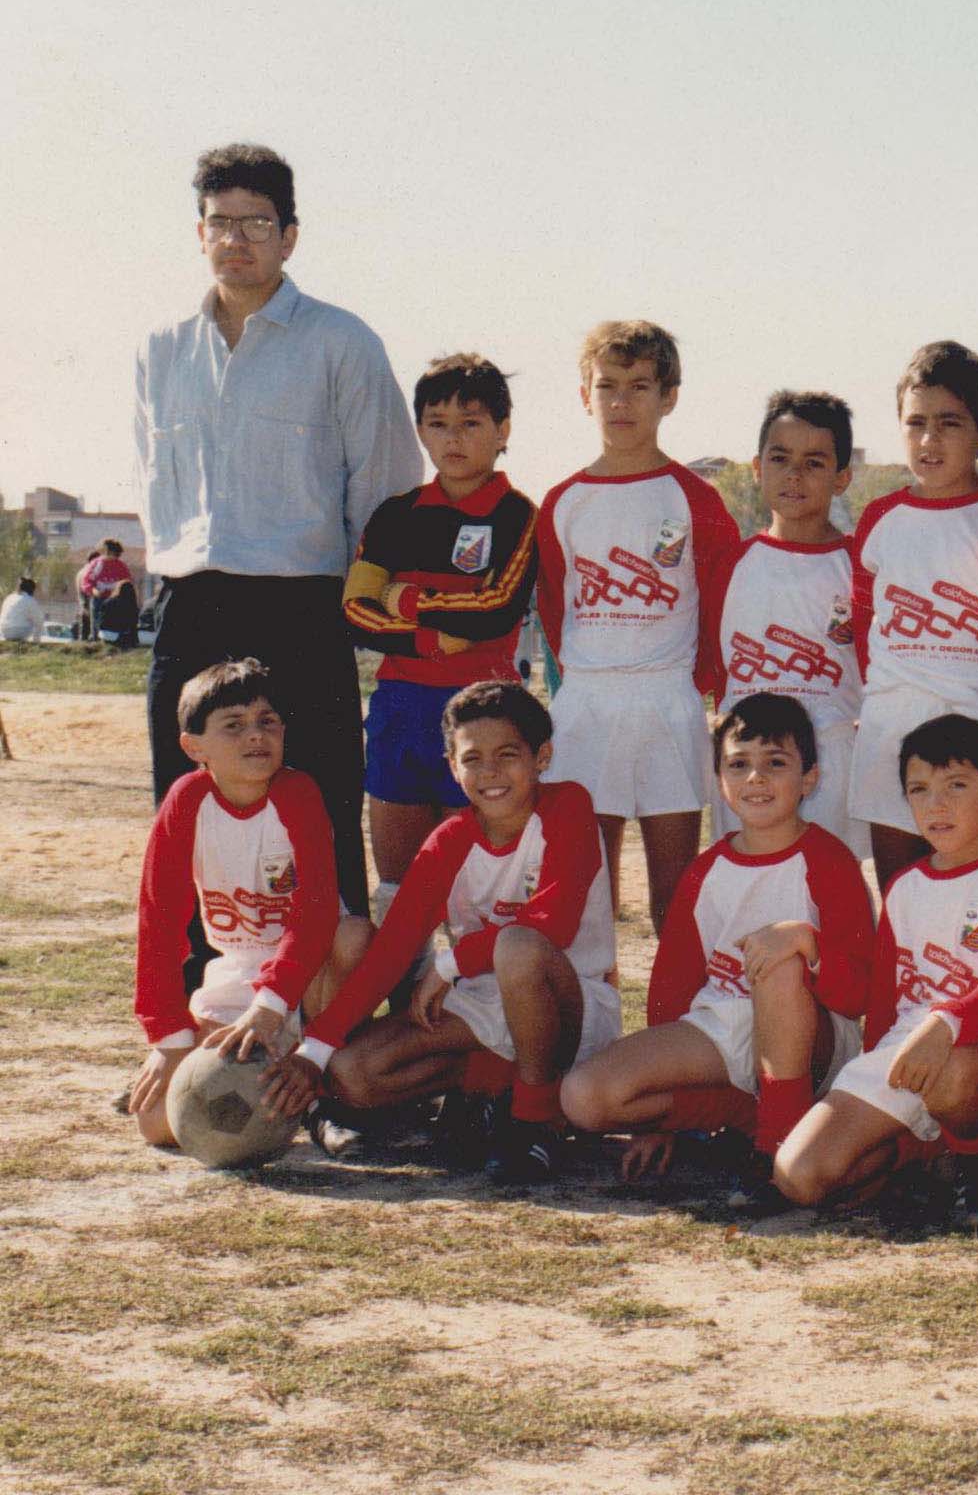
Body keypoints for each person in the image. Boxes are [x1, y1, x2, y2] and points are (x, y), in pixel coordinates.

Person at [134, 143, 421, 930]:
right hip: (190, 607)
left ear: (290, 236)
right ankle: (198, 1016)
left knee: (318, 810)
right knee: (190, 811)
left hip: (302, 608)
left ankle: (333, 1029)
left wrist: (363, 607)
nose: (238, 239)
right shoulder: (160, 350)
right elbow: (154, 489)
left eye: (257, 222)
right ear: (199, 233)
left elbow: (388, 495)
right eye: (220, 222)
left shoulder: (341, 343)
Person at [265, 682, 619, 1185]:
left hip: (567, 1001)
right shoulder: (449, 840)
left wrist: (451, 965)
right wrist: (314, 1051)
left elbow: (554, 925)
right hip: (481, 1003)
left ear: (542, 757)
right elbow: (390, 952)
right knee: (353, 1074)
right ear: (452, 766)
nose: (490, 772)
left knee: (516, 947)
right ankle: (493, 1088)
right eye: (473, 758)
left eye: (507, 755)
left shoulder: (568, 808)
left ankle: (534, 1121)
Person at [562, 693, 874, 1201]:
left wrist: (805, 945)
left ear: (810, 778)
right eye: (739, 764)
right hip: (723, 1029)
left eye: (776, 763)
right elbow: (672, 987)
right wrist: (659, 1120)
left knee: (776, 955)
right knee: (585, 1097)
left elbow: (860, 992)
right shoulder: (706, 871)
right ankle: (745, 1116)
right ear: (720, 780)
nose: (756, 778)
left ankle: (776, 1148)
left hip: (811, 1036)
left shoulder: (828, 862)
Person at [773, 714, 978, 1227]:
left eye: (957, 786)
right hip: (910, 1047)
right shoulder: (905, 885)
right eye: (920, 790)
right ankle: (921, 1158)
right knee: (801, 1176)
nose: (937, 804)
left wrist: (946, 1023)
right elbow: (888, 1003)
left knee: (949, 1074)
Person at [535, 321, 740, 933]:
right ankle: (591, 1024)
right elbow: (553, 608)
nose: (621, 402)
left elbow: (720, 605)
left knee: (674, 892)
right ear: (584, 395)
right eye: (607, 386)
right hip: (588, 701)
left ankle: (674, 1022)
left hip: (666, 697)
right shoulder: (563, 500)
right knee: (586, 893)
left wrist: (694, 683)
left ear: (668, 396)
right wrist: (574, 687)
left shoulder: (693, 498)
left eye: (640, 386)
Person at [343, 353, 539, 986]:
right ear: (420, 430)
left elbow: (493, 608)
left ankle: (477, 1048)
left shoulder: (516, 515)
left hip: (483, 716)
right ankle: (406, 1037)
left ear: (504, 429)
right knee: (400, 892)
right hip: (401, 708)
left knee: (479, 889)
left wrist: (401, 598)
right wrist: (436, 637)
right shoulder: (395, 515)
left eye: (471, 422)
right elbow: (353, 610)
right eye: (437, 423)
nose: (453, 439)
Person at [127, 660, 369, 1146]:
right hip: (239, 970)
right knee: (156, 1124)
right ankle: (280, 1086)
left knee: (354, 934)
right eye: (233, 726)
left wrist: (272, 1005)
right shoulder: (187, 800)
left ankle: (321, 1095)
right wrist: (170, 1042)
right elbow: (159, 919)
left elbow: (317, 911)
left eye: (267, 722)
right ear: (194, 747)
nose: (255, 735)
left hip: (313, 971)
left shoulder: (298, 792)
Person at [845, 342, 978, 896]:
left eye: (949, 423)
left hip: (976, 730)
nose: (929, 441)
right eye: (916, 423)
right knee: (902, 894)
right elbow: (863, 627)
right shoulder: (881, 517)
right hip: (890, 728)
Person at [708, 390, 865, 854]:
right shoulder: (732, 565)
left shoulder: (861, 567)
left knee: (827, 891)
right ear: (758, 468)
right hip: (749, 763)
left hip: (830, 760)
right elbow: (719, 672)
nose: (794, 475)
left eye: (814, 462)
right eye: (780, 458)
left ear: (842, 478)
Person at [85, 539, 140, 649]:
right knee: (96, 620)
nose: (115, 557)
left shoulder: (121, 566)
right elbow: (87, 581)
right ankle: (95, 641)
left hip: (115, 601)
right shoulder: (97, 564)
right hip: (99, 598)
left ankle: (114, 643)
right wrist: (94, 591)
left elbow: (127, 583)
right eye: (113, 553)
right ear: (107, 551)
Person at [0, 578, 38, 642]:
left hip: (4, 631)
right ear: (31, 590)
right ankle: (30, 640)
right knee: (36, 621)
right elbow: (38, 619)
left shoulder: (9, 597)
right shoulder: (30, 599)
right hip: (20, 631)